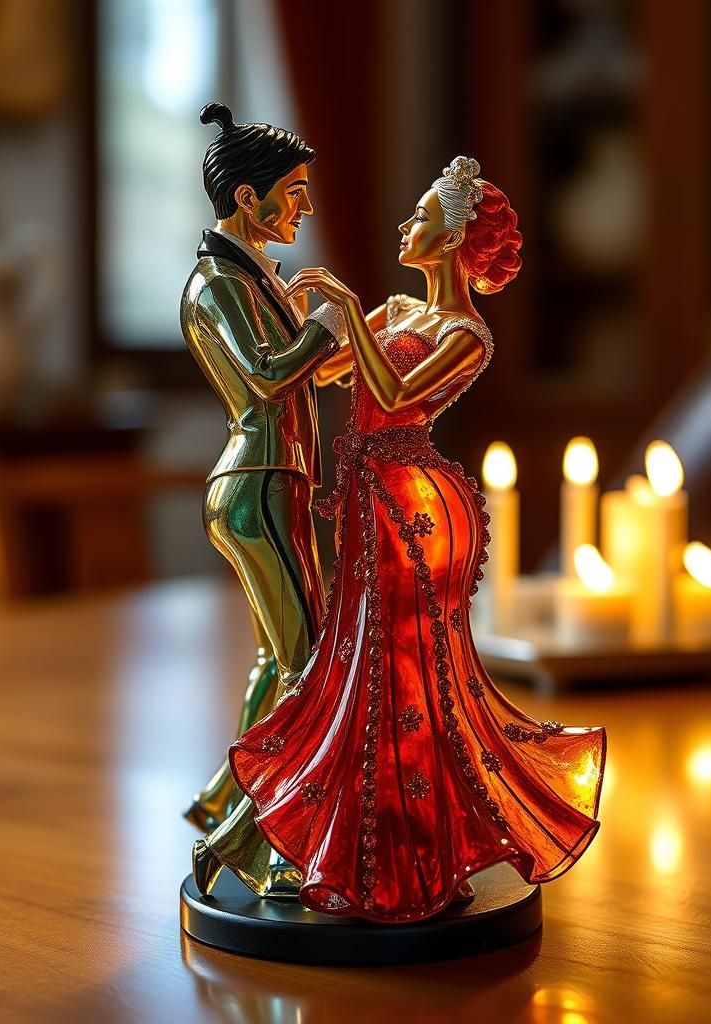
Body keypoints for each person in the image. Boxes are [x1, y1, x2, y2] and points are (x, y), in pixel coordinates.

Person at [207, 157, 607, 923]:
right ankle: (370, 843)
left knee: (411, 666)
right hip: (365, 501)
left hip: (418, 508)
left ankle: (422, 844)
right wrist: (283, 313)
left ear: (453, 237)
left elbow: (394, 397)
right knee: (360, 662)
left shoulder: (466, 335)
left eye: (421, 214)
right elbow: (318, 373)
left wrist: (347, 311)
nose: (404, 225)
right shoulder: (393, 312)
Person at [180, 102, 349, 897]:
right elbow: (269, 372)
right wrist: (320, 324)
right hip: (259, 484)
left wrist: (334, 342)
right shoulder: (216, 281)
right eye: (294, 191)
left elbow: (298, 367)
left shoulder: (252, 277)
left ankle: (225, 794)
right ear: (248, 200)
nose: (305, 207)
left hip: (272, 482)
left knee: (275, 656)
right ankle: (258, 838)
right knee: (311, 667)